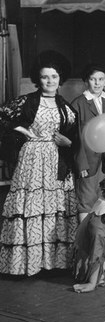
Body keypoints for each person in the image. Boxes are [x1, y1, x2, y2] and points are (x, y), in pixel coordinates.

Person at [0, 50, 78, 276]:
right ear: (38, 79)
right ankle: (26, 264)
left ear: (60, 78)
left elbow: (76, 137)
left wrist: (68, 142)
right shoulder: (27, 101)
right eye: (45, 77)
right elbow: (2, 117)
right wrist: (22, 131)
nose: (50, 81)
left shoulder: (66, 107)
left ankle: (53, 263)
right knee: (31, 209)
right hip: (32, 160)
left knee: (55, 209)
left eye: (54, 77)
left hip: (57, 163)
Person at [72, 63, 105, 222]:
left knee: (104, 201)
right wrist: (81, 163)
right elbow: (76, 137)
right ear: (86, 81)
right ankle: (84, 242)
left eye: (101, 79)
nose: (97, 83)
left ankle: (100, 241)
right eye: (93, 79)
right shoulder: (78, 103)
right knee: (86, 202)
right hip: (88, 163)